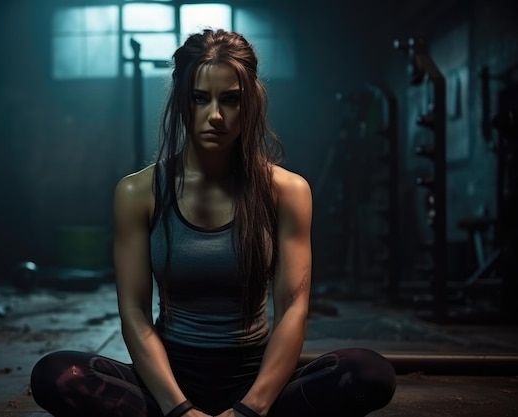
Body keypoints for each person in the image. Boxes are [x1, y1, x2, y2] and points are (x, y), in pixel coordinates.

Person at [29, 28, 396, 417]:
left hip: (255, 379)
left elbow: (292, 308)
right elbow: (134, 312)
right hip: (168, 381)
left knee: (369, 373)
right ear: (182, 101)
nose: (215, 115)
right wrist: (180, 410)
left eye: (231, 100)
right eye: (200, 98)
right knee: (57, 374)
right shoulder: (138, 192)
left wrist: (249, 409)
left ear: (250, 103)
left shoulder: (287, 191)